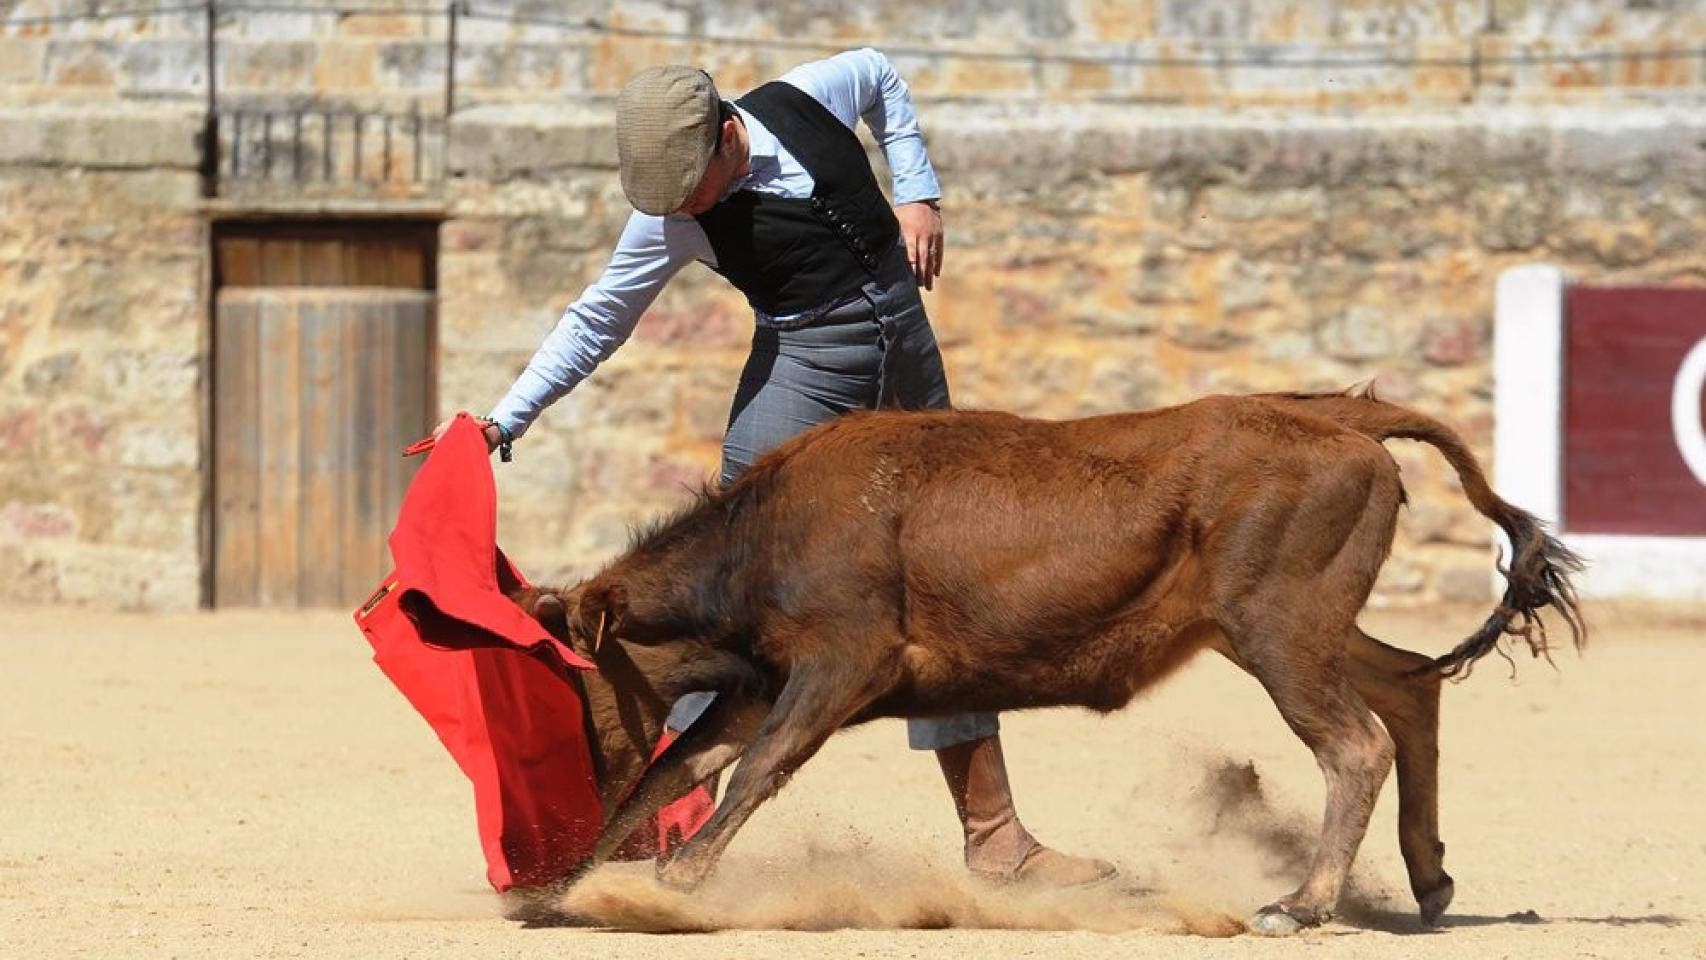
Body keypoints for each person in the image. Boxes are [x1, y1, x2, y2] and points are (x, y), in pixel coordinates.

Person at [444, 49, 1113, 887]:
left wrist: (917, 189)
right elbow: (598, 318)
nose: (683, 209)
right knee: (719, 594)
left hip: (907, 358)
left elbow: (881, 75)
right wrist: (505, 418)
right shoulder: (672, 214)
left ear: (729, 133)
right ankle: (657, 829)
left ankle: (996, 839)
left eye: (693, 188)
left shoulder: (805, 97)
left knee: (948, 585)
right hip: (801, 369)